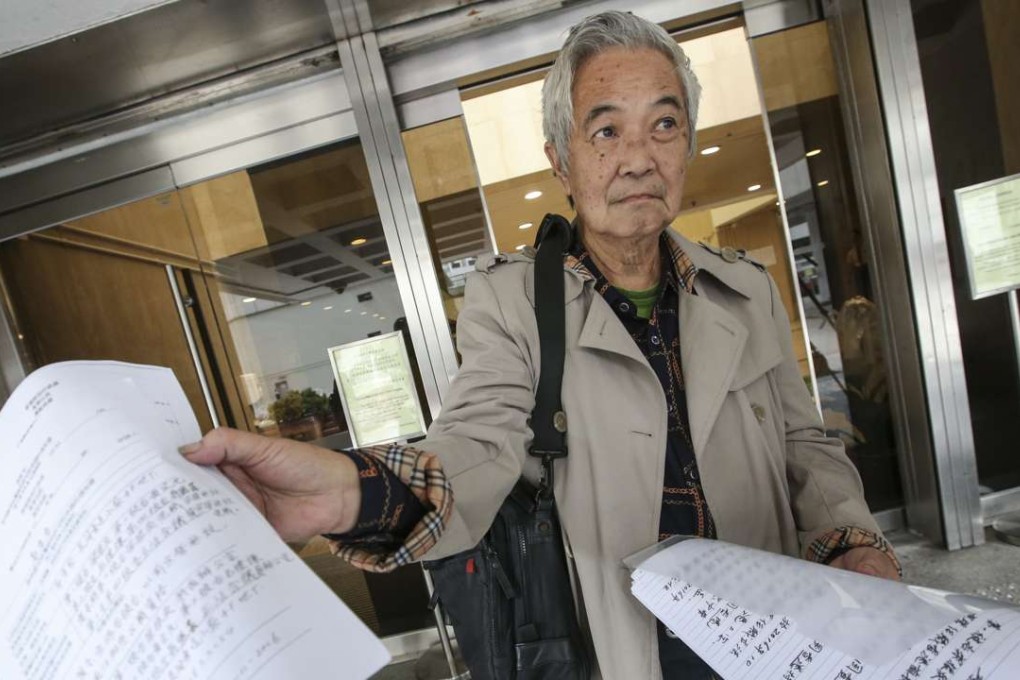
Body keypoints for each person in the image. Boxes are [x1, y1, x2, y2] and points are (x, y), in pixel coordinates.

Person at [181, 11, 900, 679]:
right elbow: (477, 445)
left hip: (774, 633)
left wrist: (853, 539)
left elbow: (804, 446)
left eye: (664, 124)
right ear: (561, 160)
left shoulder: (747, 288)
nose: (638, 158)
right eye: (606, 131)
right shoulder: (514, 304)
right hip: (638, 647)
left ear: (687, 143)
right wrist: (349, 491)